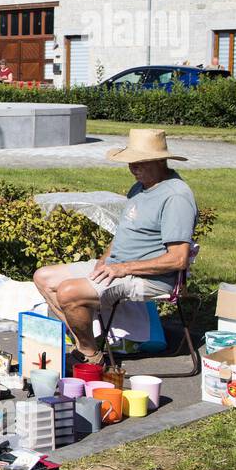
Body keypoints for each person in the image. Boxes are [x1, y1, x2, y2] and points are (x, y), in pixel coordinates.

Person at [33, 129, 197, 366]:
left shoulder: (176, 197)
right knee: (44, 277)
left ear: (161, 161)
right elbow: (125, 232)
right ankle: (87, 343)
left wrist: (123, 268)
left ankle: (89, 355)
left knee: (69, 291)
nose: (133, 168)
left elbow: (178, 259)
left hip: (150, 277)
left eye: (140, 162)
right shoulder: (140, 187)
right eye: (131, 161)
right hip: (118, 266)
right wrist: (105, 258)